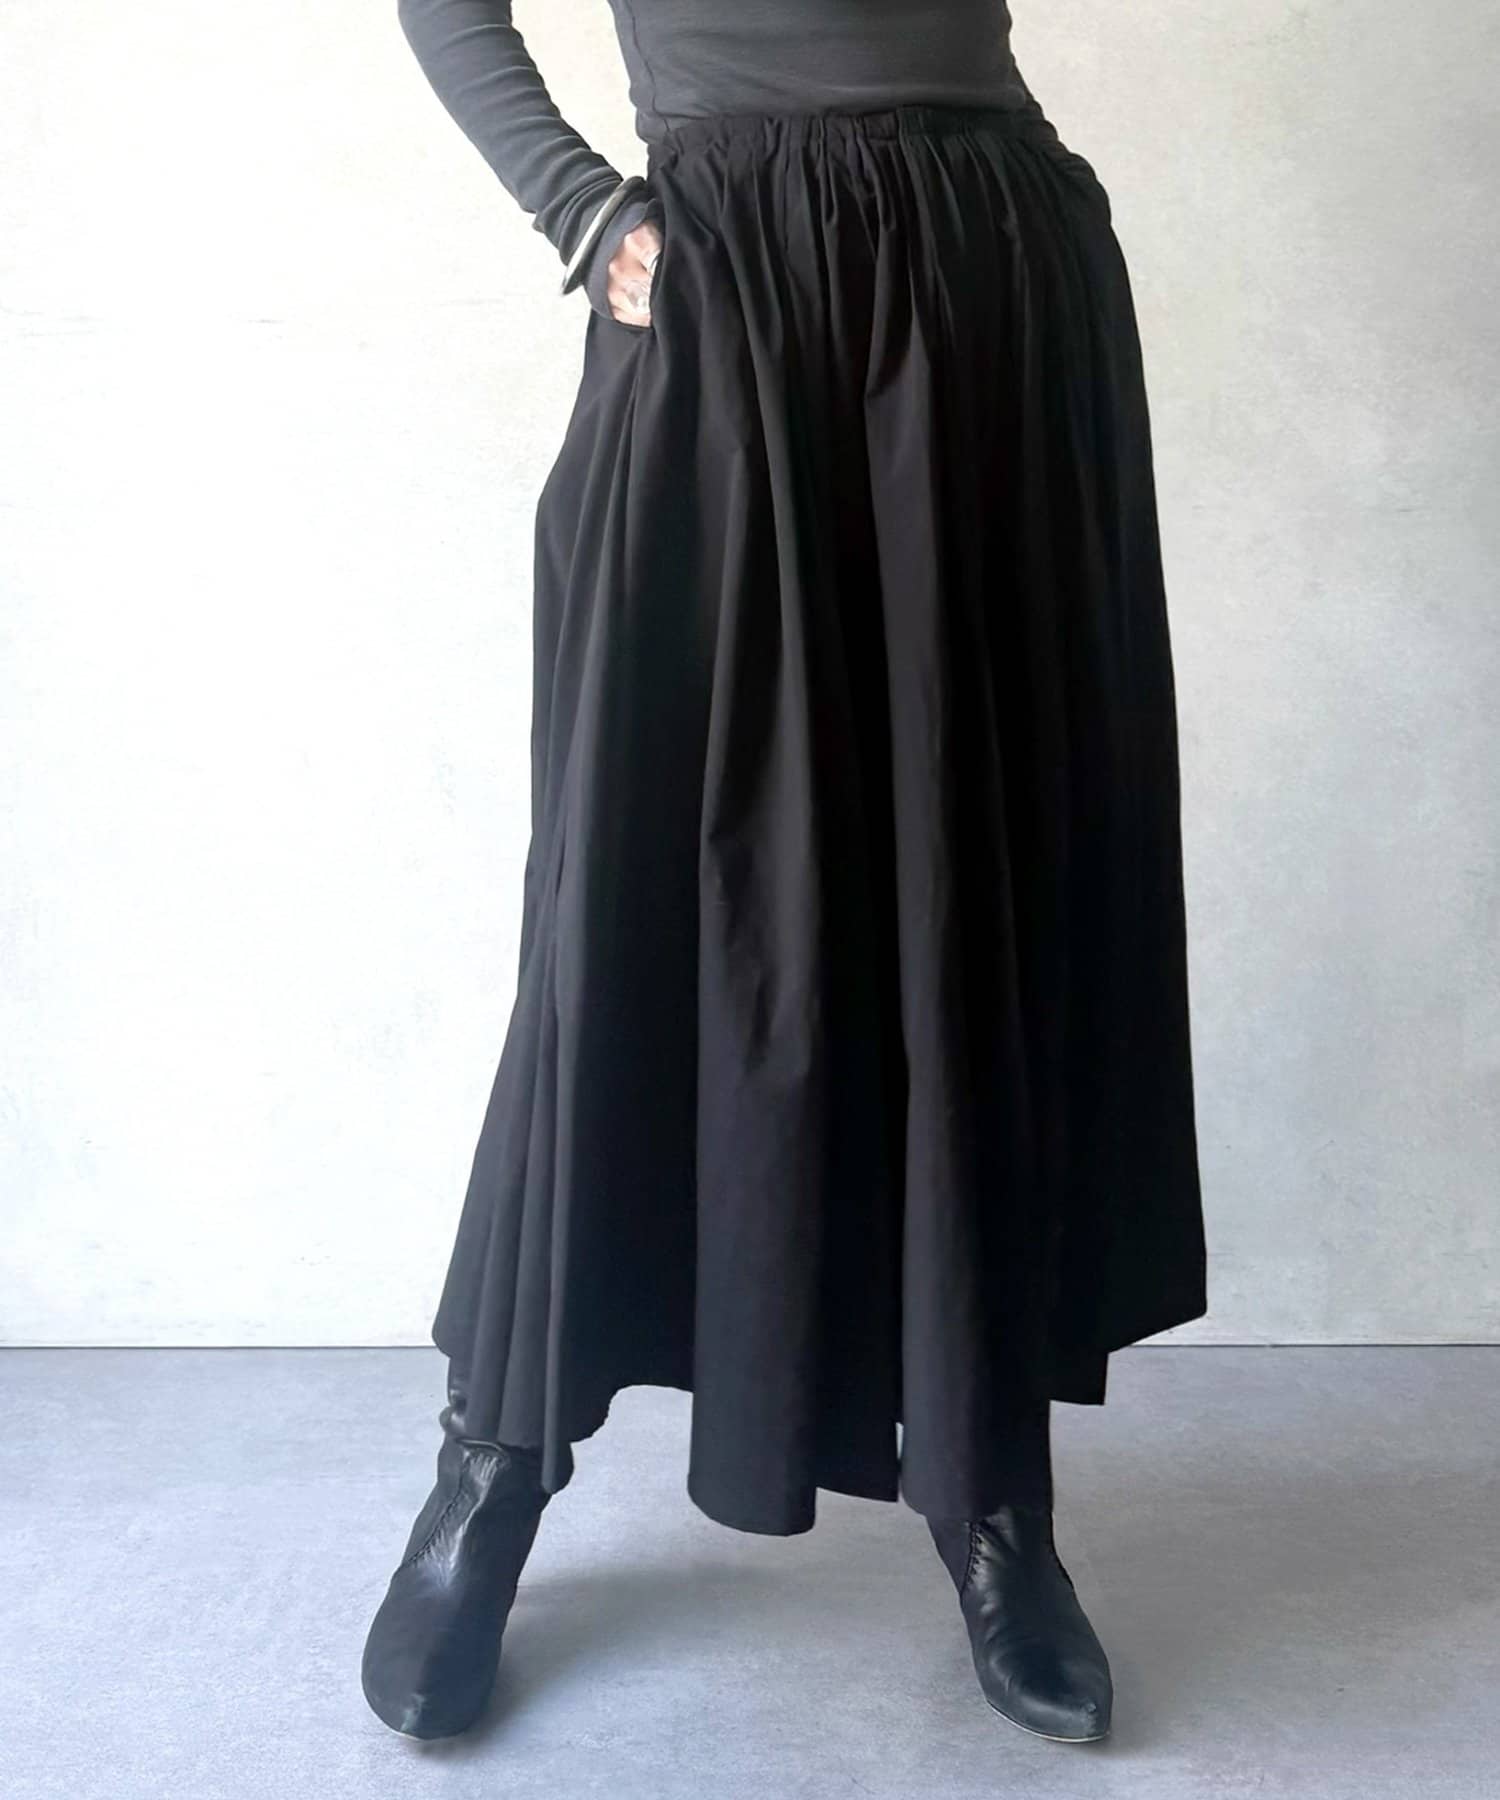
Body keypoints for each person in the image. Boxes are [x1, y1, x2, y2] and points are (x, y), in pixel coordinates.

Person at [361, 0, 1208, 1747]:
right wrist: (581, 207)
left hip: (985, 279)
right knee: (626, 898)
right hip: (731, 288)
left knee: (976, 887)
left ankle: (991, 1494)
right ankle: (494, 1462)